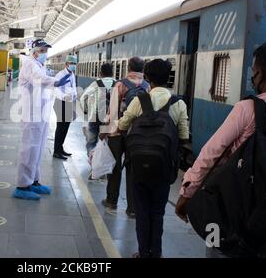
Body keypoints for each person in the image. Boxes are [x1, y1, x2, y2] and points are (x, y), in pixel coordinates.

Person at [175, 42, 266, 258]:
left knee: (218, 249)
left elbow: (212, 152)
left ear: (260, 75)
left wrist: (187, 191)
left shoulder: (247, 109)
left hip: (236, 206)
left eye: (253, 71)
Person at [117, 59, 189, 258]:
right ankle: (155, 253)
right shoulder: (179, 103)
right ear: (169, 79)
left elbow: (122, 126)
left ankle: (142, 252)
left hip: (138, 167)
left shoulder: (139, 101)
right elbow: (184, 136)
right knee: (158, 212)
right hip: (164, 167)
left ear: (147, 78)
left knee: (142, 211)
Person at [13, 39, 71, 200]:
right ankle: (22, 186)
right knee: (29, 149)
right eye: (42, 50)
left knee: (37, 150)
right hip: (31, 115)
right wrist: (56, 82)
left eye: (46, 50)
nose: (45, 53)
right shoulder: (30, 64)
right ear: (34, 51)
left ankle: (33, 181)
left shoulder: (39, 65)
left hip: (40, 114)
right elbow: (38, 79)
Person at [99, 57, 150, 218]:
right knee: (133, 170)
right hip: (136, 135)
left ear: (128, 68)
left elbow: (112, 111)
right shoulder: (147, 87)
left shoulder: (120, 84)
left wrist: (104, 131)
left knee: (114, 167)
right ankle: (133, 208)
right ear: (143, 69)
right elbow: (147, 112)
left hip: (117, 132)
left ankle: (112, 200)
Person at [80, 63, 116, 179]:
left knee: (92, 142)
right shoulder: (117, 84)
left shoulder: (96, 83)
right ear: (113, 73)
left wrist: (86, 110)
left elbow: (83, 97)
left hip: (95, 118)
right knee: (106, 143)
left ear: (100, 73)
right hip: (111, 120)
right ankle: (104, 168)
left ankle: (94, 167)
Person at [53, 54, 78, 160]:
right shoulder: (60, 74)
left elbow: (74, 88)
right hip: (60, 102)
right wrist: (64, 97)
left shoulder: (72, 74)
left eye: (75, 64)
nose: (73, 65)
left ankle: (60, 148)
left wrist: (74, 101)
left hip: (69, 103)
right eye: (71, 63)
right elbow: (55, 88)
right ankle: (56, 151)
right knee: (60, 127)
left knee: (66, 127)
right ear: (66, 64)